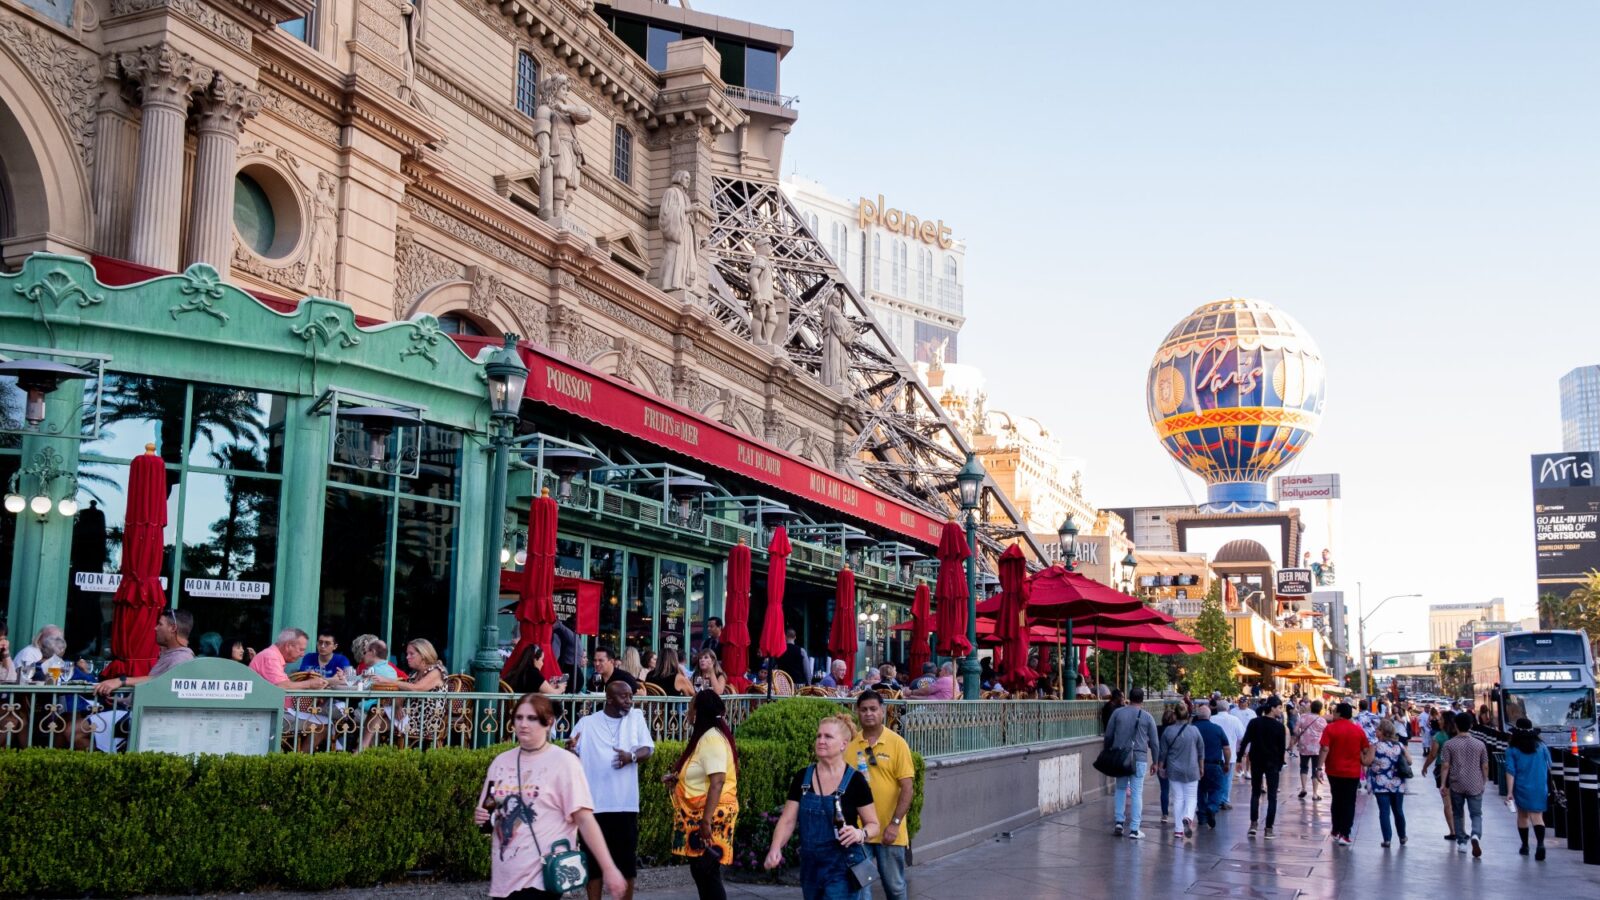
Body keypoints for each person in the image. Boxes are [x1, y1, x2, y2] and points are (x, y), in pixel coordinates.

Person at [476, 693, 628, 900]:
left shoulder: (564, 763)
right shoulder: (500, 762)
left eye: (532, 718)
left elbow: (584, 818)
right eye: (519, 718)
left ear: (548, 723)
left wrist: (609, 868)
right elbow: (489, 812)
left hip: (541, 878)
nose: (523, 724)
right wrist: (483, 817)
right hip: (504, 880)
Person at [764, 711, 881, 899]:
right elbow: (787, 820)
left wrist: (860, 833)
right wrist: (775, 848)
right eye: (819, 736)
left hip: (843, 867)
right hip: (810, 867)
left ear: (844, 744)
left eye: (828, 736)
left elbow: (874, 825)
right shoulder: (803, 777)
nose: (821, 740)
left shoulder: (855, 781)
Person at [570, 681, 654, 900]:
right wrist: (569, 749)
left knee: (626, 863)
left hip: (625, 804)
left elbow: (648, 749)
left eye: (630, 696)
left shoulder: (636, 718)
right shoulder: (587, 723)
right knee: (593, 864)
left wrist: (631, 756)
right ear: (609, 699)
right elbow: (572, 753)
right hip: (593, 805)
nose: (629, 701)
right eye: (624, 697)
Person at [666, 690, 740, 900]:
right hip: (701, 815)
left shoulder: (711, 739)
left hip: (709, 816)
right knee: (702, 871)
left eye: (690, 708)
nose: (687, 713)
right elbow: (702, 772)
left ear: (699, 712)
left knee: (707, 872)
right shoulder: (708, 737)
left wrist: (706, 822)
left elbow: (717, 782)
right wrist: (678, 778)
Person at [848, 690, 915, 900]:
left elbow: (907, 788)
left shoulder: (897, 744)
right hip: (860, 832)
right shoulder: (849, 746)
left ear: (883, 711)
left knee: (895, 888)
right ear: (857, 712)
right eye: (864, 709)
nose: (869, 714)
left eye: (873, 709)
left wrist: (895, 824)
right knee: (860, 888)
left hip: (889, 831)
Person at [1104, 686, 1159, 839]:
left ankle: (1119, 822)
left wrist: (1108, 750)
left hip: (1121, 756)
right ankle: (1134, 829)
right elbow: (1154, 742)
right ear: (1142, 700)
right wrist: (1155, 761)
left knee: (1121, 789)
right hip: (1139, 758)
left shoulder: (1117, 713)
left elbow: (1108, 735)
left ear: (1129, 697)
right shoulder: (1148, 717)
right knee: (1136, 793)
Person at [1318, 702, 1373, 847]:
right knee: (1349, 802)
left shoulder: (1330, 728)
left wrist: (1319, 768)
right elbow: (1366, 749)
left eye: (1335, 711)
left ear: (1339, 713)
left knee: (1336, 799)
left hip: (1334, 770)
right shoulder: (1358, 730)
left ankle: (1335, 830)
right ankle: (1345, 833)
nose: (1333, 714)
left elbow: (1324, 748)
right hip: (1352, 772)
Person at [1439, 710, 1490, 857]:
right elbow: (1485, 765)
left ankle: (1461, 842)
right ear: (1471, 726)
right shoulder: (1480, 745)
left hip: (1457, 783)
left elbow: (1445, 765)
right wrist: (1483, 780)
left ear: (1455, 726)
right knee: (1476, 813)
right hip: (1475, 783)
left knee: (1458, 813)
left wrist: (1443, 783)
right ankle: (1475, 834)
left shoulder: (1449, 744)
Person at [1237, 697, 1287, 840]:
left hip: (1257, 761)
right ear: (1272, 708)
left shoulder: (1254, 722)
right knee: (1272, 796)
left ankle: (1253, 824)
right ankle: (1268, 829)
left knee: (1255, 793)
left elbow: (1246, 740)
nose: (1280, 710)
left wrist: (1240, 757)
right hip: (1272, 763)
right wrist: (1280, 763)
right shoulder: (1279, 727)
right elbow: (1281, 748)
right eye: (1279, 707)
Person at [1503, 717, 1551, 860]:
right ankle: (1541, 844)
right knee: (1538, 816)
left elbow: (1510, 771)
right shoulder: (1542, 747)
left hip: (1522, 786)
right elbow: (1550, 765)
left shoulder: (1512, 749)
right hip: (1540, 785)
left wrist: (1510, 792)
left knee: (1522, 816)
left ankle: (1525, 845)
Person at [1158, 701, 1203, 839]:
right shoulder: (1194, 730)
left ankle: (1178, 830)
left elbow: (1163, 752)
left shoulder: (1168, 731)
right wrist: (1201, 767)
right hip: (1192, 768)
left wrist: (1160, 767)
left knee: (1177, 799)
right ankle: (1188, 817)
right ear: (1188, 715)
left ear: (1175, 715)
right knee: (1191, 797)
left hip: (1174, 769)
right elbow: (1201, 750)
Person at [1368, 717, 1411, 848]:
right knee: (1398, 811)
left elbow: (1367, 761)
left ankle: (1387, 839)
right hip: (1397, 783)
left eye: (1378, 729)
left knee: (1384, 812)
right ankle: (1402, 836)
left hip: (1380, 784)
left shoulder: (1375, 746)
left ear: (1383, 731)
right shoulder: (1399, 745)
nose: (1375, 732)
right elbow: (1409, 761)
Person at [1422, 704, 1459, 840]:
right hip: (1458, 770)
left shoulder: (1439, 736)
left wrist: (1425, 767)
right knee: (1458, 803)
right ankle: (1461, 830)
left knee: (1447, 803)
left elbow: (1432, 755)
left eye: (1441, 719)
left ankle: (1453, 831)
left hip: (1442, 770)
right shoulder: (1457, 736)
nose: (1438, 720)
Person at [1192, 704, 1231, 829]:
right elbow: (1226, 748)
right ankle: (1212, 807)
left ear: (1198, 716)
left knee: (1200, 791)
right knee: (1217, 788)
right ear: (1210, 716)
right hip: (1214, 764)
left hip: (1196, 765)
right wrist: (1226, 763)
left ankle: (1202, 816)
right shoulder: (1217, 729)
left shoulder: (1192, 728)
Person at [250, 628, 325, 688]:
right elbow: (281, 686)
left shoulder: (272, 655)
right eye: (301, 650)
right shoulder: (271, 657)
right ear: (288, 646)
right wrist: (309, 684)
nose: (302, 655)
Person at [1212, 698, 1244, 811]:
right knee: (1227, 779)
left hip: (1213, 755)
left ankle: (1214, 800)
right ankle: (1224, 800)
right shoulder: (1234, 720)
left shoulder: (1212, 719)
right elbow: (1242, 736)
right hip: (1229, 755)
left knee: (1215, 779)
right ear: (1228, 708)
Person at [1292, 699, 1326, 801]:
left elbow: (1295, 730)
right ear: (1320, 709)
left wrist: (1299, 736)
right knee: (1315, 769)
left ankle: (1303, 788)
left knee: (1303, 767)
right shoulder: (1322, 720)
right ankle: (1315, 794)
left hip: (1304, 746)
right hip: (1317, 747)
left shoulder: (1303, 717)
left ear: (1311, 707)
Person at [1157, 703, 1179, 824]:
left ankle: (1164, 814)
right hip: (1175, 762)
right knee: (1177, 790)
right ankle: (1178, 813)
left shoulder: (1158, 729)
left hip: (1161, 762)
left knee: (1164, 789)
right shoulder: (1176, 730)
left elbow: (1152, 744)